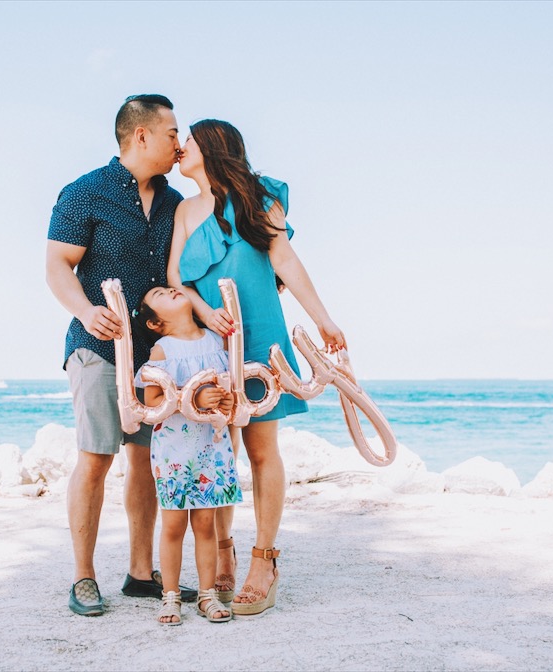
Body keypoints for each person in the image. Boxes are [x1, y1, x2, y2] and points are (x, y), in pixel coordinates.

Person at [166, 119, 346, 616]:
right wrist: (204, 314)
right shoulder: (184, 210)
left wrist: (323, 319)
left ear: (213, 147)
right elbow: (174, 279)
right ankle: (222, 554)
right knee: (216, 448)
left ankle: (264, 561)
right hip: (209, 341)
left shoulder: (256, 196)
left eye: (190, 141)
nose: (180, 147)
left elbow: (285, 259)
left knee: (261, 448)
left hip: (261, 332)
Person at [46, 94, 196, 617]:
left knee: (147, 462)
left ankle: (140, 575)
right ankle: (83, 578)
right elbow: (57, 267)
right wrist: (87, 312)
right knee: (96, 458)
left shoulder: (177, 203)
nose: (179, 142)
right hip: (97, 348)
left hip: (158, 358)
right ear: (141, 136)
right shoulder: (84, 192)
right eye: (172, 132)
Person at [132, 285, 241, 625]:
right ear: (154, 323)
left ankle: (207, 595)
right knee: (174, 525)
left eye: (169, 288)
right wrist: (190, 399)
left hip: (212, 447)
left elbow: (229, 388)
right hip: (175, 451)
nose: (170, 290)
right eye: (160, 295)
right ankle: (171, 596)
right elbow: (151, 403)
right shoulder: (162, 351)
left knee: (206, 524)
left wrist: (222, 400)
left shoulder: (215, 340)